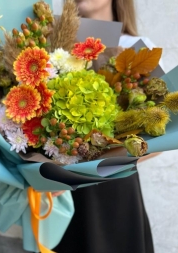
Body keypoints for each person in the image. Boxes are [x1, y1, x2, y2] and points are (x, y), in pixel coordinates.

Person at [52, 0, 157, 252]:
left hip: (114, 194)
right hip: (60, 195)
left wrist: (86, 171)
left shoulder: (138, 50)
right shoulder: (55, 50)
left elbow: (162, 139)